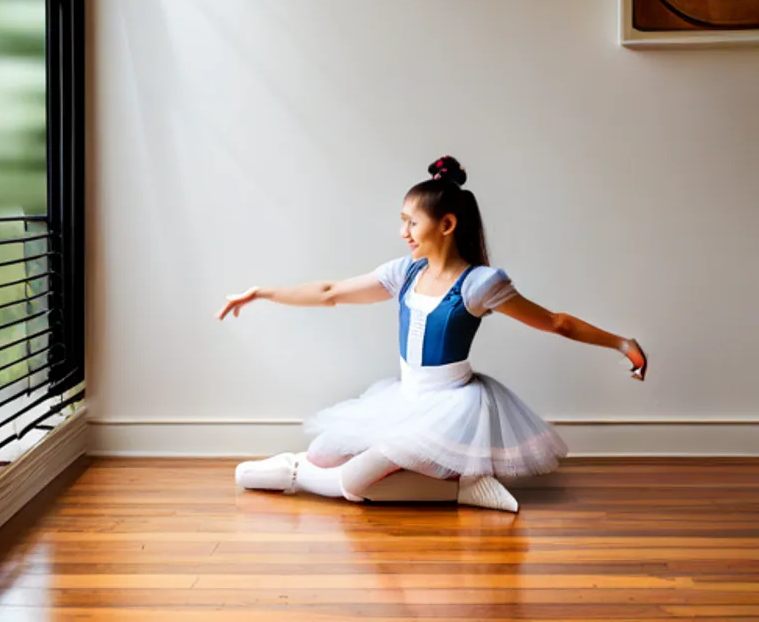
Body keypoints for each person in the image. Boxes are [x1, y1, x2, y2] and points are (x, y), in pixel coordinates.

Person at [216, 156, 648, 512]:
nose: (402, 232)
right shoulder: (405, 271)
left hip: (452, 408)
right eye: (402, 221)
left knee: (353, 483)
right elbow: (330, 293)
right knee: (324, 454)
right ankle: (304, 469)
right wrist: (263, 293)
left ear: (446, 225)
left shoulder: (480, 284)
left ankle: (455, 488)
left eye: (411, 223)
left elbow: (555, 322)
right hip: (405, 400)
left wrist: (623, 344)